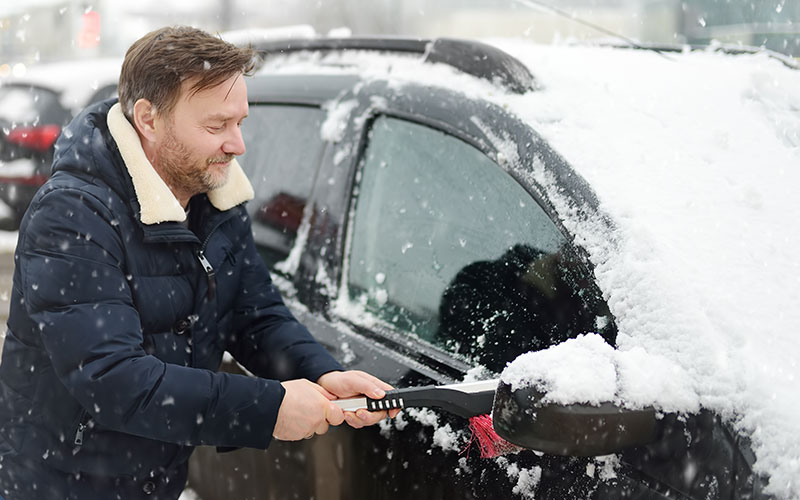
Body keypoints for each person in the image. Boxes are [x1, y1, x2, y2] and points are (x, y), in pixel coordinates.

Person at [0, 26, 396, 499]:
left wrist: (319, 371)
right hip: (61, 483)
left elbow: (255, 314)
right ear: (148, 119)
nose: (237, 144)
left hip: (156, 478)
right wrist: (268, 409)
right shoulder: (72, 215)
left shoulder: (215, 198)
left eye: (239, 122)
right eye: (216, 126)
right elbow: (113, 378)